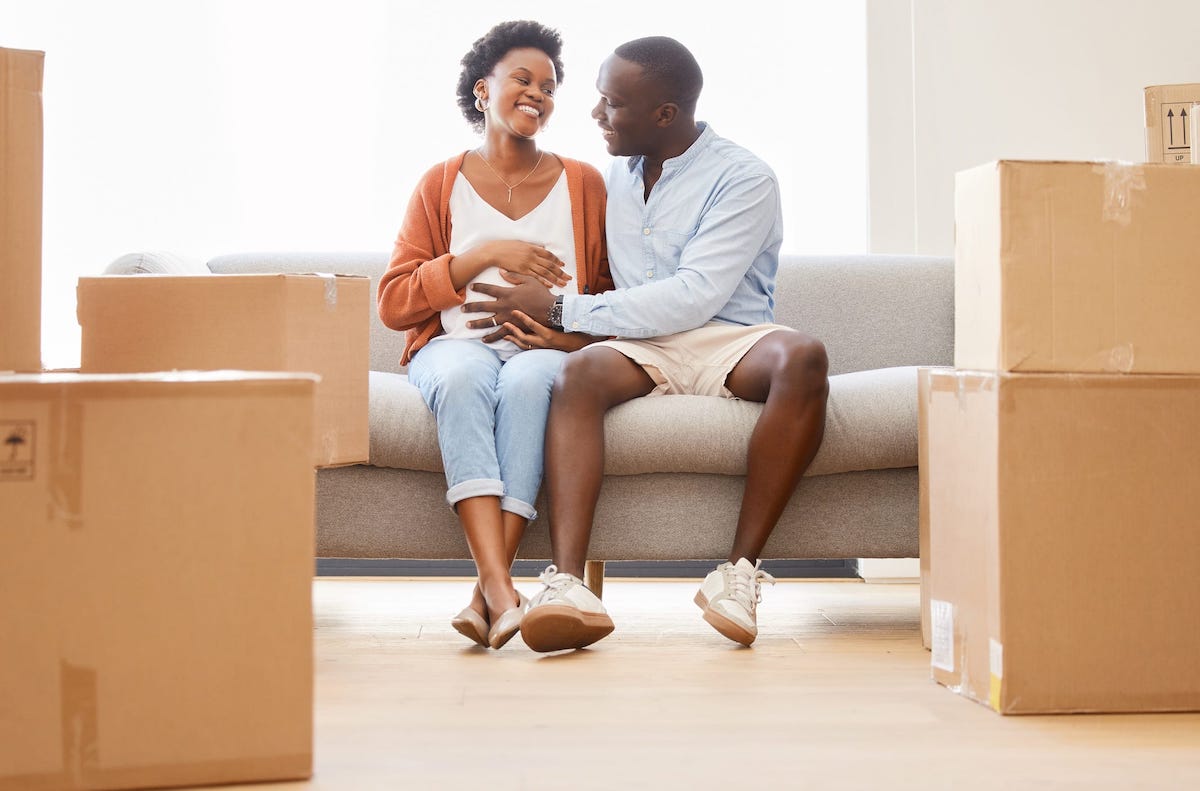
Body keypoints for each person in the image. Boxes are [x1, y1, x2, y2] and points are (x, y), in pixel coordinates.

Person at [462, 36, 829, 651]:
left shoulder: (745, 178)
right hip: (642, 343)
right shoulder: (615, 177)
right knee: (573, 374)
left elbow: (694, 297)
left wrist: (556, 305)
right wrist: (561, 327)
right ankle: (568, 584)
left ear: (665, 114)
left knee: (805, 356)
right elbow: (610, 287)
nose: (595, 115)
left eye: (612, 104)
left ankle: (736, 576)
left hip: (728, 338)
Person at [376, 20, 612, 650]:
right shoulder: (440, 182)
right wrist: (483, 254)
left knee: (534, 382)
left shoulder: (585, 184)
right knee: (459, 377)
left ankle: (488, 594)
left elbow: (616, 301)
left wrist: (562, 340)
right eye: (523, 79)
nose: (538, 93)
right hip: (453, 349)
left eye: (550, 86)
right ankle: (504, 592)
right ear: (483, 90)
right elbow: (394, 301)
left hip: (544, 354)